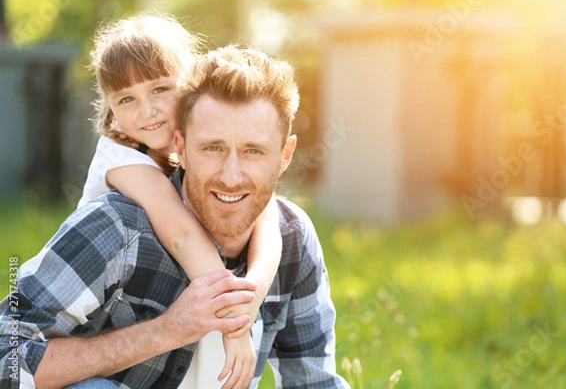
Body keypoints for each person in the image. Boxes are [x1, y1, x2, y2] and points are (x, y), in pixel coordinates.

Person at [0, 45, 349, 388]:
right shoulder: (117, 227)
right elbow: (6, 359)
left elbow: (315, 382)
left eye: (253, 151)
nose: (231, 176)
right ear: (180, 148)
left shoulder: (291, 236)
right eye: (212, 148)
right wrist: (166, 330)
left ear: (285, 155)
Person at [80, 13, 282, 387]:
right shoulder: (120, 160)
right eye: (126, 99)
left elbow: (268, 216)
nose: (147, 110)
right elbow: (182, 237)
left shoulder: (192, 153)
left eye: (159, 89)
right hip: (103, 336)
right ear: (109, 107)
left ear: (187, 85)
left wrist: (252, 292)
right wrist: (237, 327)